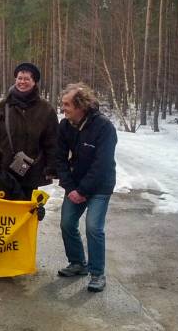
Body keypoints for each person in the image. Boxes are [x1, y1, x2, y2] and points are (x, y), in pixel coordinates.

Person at [55, 83, 117, 293]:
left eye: (67, 105)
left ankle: (97, 273)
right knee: (66, 223)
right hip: (75, 184)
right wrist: (71, 187)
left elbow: (102, 164)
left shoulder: (104, 127)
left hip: (100, 186)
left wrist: (83, 190)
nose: (63, 108)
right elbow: (60, 160)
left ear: (80, 105)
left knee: (93, 227)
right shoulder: (64, 127)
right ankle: (77, 263)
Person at [0, 62, 58, 197]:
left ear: (34, 82)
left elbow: (52, 142)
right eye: (19, 78)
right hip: (3, 170)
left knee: (25, 212)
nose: (22, 82)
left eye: (26, 79)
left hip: (32, 171)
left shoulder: (46, 109)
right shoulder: (3, 105)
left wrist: (51, 167)